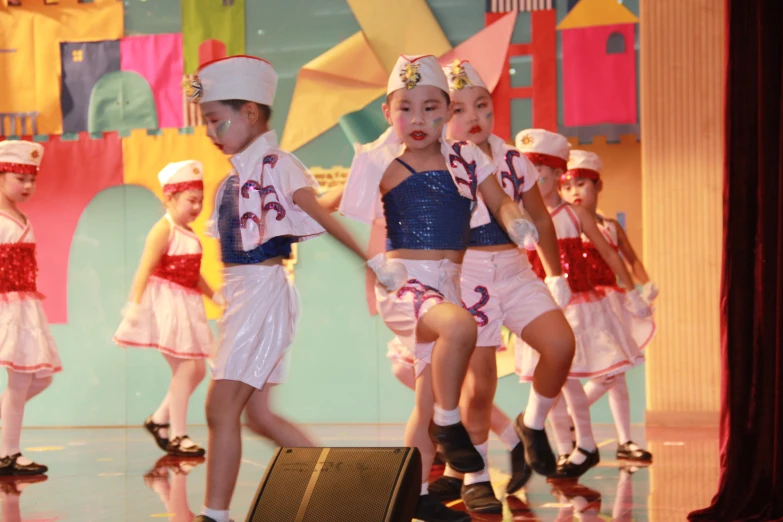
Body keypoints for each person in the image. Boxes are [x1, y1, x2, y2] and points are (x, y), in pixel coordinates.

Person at [186, 55, 397, 522]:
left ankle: (214, 515)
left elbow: (320, 214)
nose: (210, 132)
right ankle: (345, 494)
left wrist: (374, 261)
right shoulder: (235, 176)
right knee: (256, 416)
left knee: (220, 407)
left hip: (261, 291)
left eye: (216, 121)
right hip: (246, 294)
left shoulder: (277, 165)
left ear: (251, 114)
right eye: (207, 123)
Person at [339, 54, 539, 522]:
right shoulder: (377, 160)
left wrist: (520, 223)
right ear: (388, 113)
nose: (418, 119)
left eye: (431, 108)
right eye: (405, 108)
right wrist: (374, 264)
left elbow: (501, 203)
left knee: (424, 397)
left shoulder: (468, 159)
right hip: (405, 282)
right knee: (461, 328)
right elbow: (346, 220)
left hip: (448, 284)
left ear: (448, 112)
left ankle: (414, 495)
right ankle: (450, 427)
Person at [427, 60, 575, 513]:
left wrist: (554, 273)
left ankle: (531, 426)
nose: (474, 117)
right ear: (444, 116)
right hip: (468, 274)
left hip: (514, 269)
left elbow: (540, 218)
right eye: (461, 109)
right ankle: (476, 477)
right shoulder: (438, 162)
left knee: (561, 345)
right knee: (480, 385)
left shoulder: (513, 158)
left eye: (483, 106)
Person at [514, 130, 651, 478]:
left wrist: (633, 291)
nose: (533, 182)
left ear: (558, 176)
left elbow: (610, 253)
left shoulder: (575, 216)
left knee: (578, 377)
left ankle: (587, 444)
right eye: (528, 175)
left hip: (579, 307)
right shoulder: (519, 216)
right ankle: (569, 449)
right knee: (556, 384)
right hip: (539, 308)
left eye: (541, 175)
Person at [559, 150, 656, 462]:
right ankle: (571, 421)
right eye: (567, 186)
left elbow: (629, 259)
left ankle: (625, 440)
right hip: (578, 305)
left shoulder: (610, 226)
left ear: (598, 186)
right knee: (602, 374)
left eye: (582, 184)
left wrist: (643, 286)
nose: (574, 192)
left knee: (618, 372)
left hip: (610, 302)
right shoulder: (563, 226)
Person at [114, 160, 216, 457]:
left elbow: (193, 274)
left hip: (187, 304)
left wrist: (214, 296)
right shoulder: (163, 230)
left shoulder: (189, 233)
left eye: (200, 201)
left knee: (196, 369)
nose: (196, 207)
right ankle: (177, 434)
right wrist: (133, 306)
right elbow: (144, 270)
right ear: (169, 198)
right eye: (190, 200)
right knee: (186, 368)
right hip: (167, 307)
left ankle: (160, 420)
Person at [0, 140, 59, 476]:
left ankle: (9, 451)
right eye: (20, 177)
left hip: (23, 307)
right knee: (22, 380)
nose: (28, 186)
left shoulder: (21, 217)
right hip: (6, 307)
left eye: (32, 179)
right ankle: (9, 453)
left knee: (39, 378)